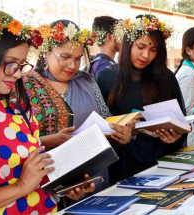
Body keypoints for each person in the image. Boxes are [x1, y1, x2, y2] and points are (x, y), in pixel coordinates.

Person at [0, 10, 94, 214]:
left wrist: (64, 188)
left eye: (21, 64)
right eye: (10, 63)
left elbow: (33, 173)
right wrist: (21, 187)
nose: (18, 73)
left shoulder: (18, 107)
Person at [23, 20, 131, 193]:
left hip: (93, 180)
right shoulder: (24, 86)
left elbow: (106, 121)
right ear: (45, 52)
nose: (73, 66)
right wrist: (46, 141)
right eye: (65, 57)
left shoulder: (86, 81)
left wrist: (121, 133)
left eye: (78, 59)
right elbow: (14, 142)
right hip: (45, 185)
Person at [96, 14, 187, 185]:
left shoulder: (165, 77)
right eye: (141, 46)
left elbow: (181, 120)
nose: (146, 55)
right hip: (122, 165)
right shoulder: (106, 77)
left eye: (153, 50)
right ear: (128, 43)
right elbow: (99, 125)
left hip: (161, 162)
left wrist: (176, 136)